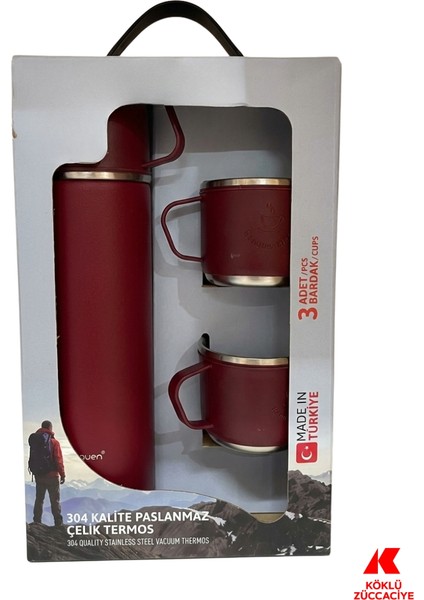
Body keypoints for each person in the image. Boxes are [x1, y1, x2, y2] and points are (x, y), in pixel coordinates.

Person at [29, 420, 65, 526]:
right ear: (50, 428)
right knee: (55, 500)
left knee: (39, 499)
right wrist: (62, 474)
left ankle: (37, 521)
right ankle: (58, 523)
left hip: (39, 475)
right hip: (52, 476)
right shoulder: (54, 442)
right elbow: (58, 460)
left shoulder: (36, 441)